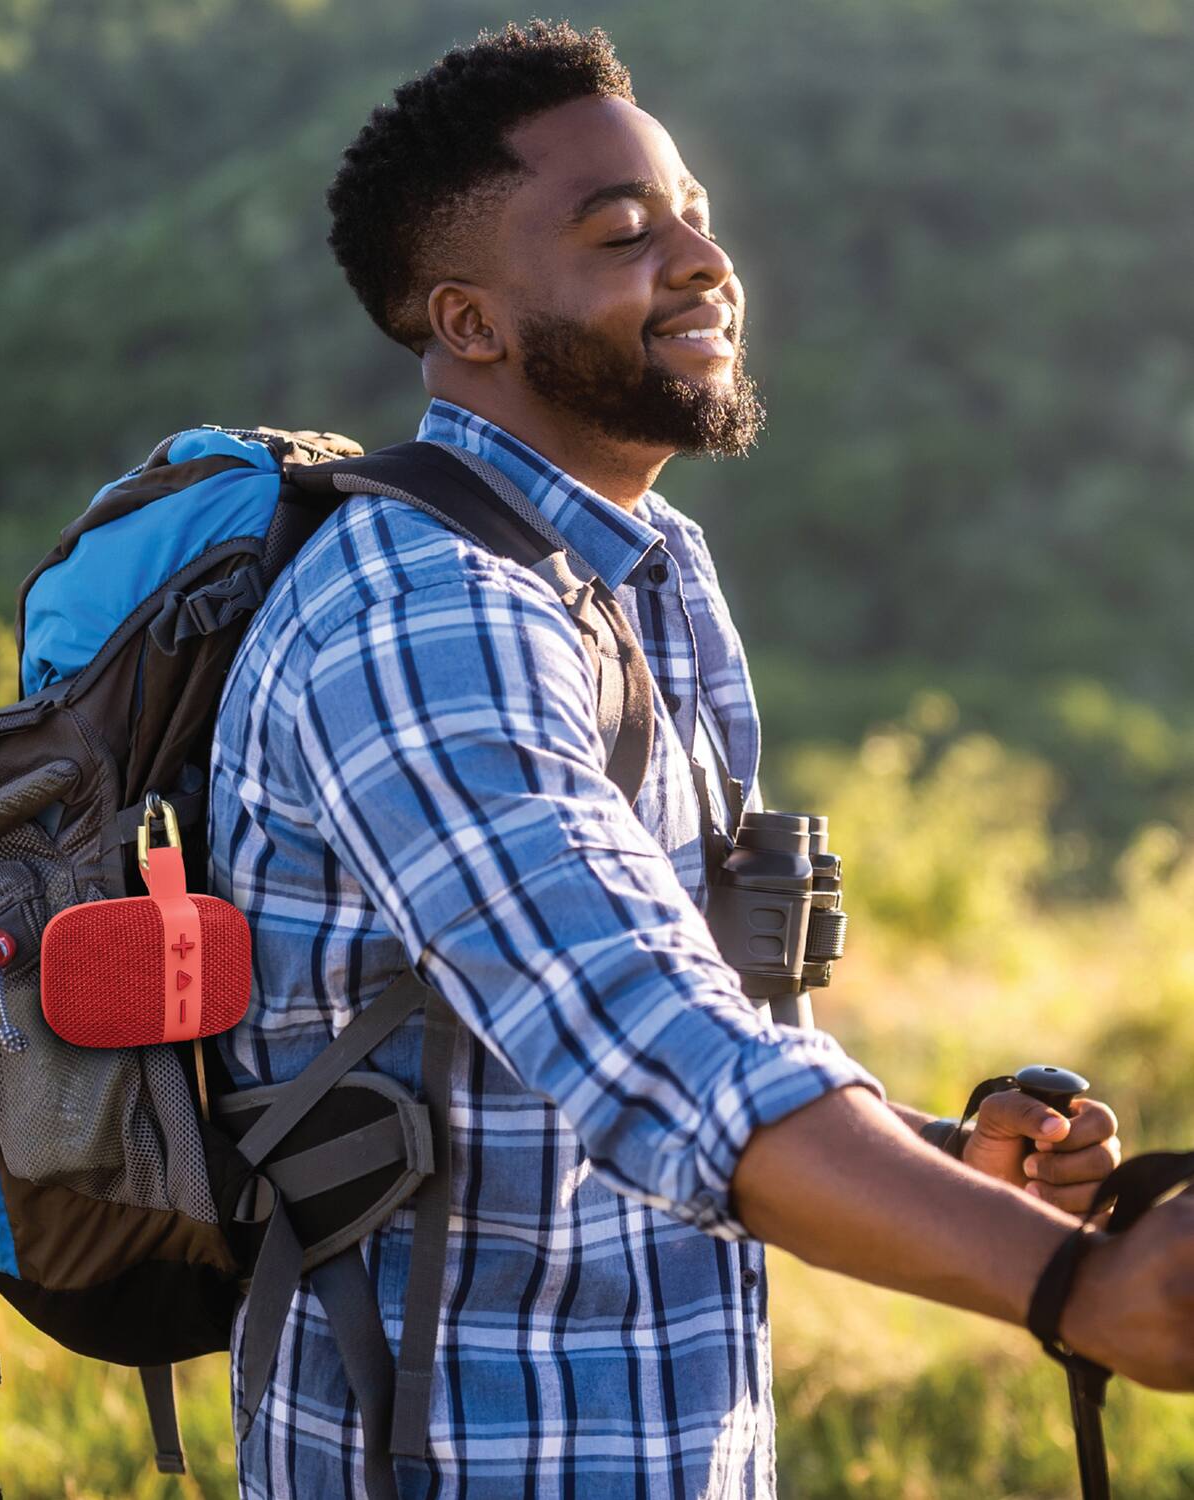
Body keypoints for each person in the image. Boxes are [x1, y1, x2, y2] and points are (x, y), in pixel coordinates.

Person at [206, 21, 1189, 1498]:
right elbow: (650, 1040)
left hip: (669, 1436)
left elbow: (680, 1015)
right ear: (469, 324)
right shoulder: (423, 617)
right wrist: (1071, 1291)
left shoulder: (643, 569)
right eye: (621, 234)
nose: (699, 260)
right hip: (465, 1454)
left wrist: (945, 1160)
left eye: (695, 217)